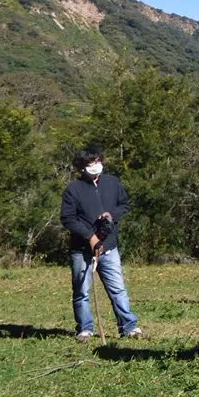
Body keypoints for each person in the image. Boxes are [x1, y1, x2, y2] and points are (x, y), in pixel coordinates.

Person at [60, 146, 143, 342]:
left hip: (109, 247)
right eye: (90, 164)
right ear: (81, 168)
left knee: (117, 289)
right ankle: (85, 328)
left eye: (98, 162)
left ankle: (128, 327)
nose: (95, 167)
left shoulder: (112, 183)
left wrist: (111, 215)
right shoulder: (73, 190)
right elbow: (68, 219)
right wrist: (90, 236)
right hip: (81, 250)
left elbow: (124, 204)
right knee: (81, 291)